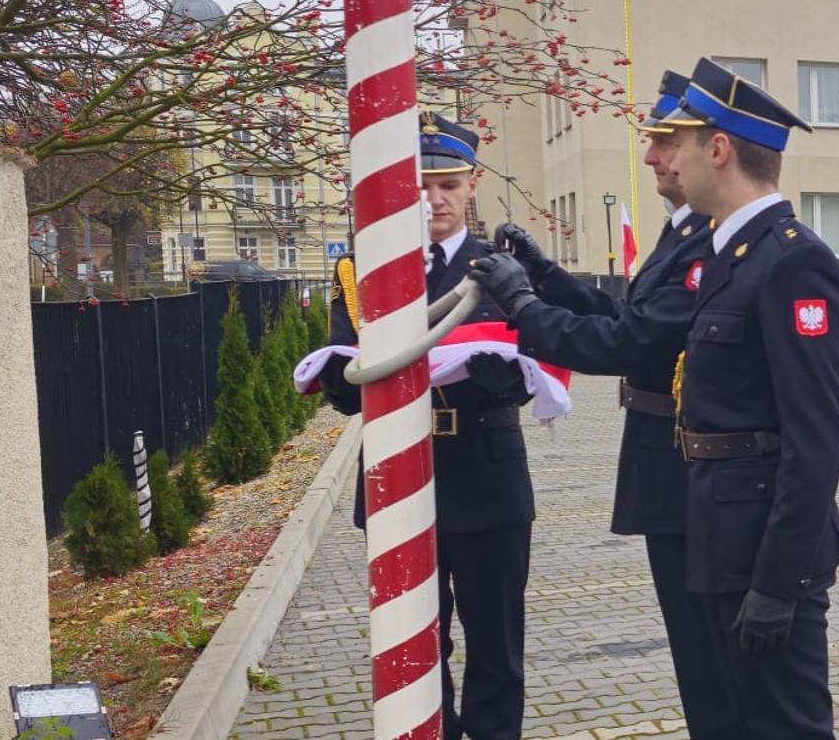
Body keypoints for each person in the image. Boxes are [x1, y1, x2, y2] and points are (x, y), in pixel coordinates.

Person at [475, 71, 742, 736]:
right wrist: (544, 276)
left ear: (708, 147)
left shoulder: (707, 240)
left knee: (714, 668)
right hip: (667, 469)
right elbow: (622, 312)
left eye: (662, 143)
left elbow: (633, 341)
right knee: (698, 663)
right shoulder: (682, 234)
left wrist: (523, 304)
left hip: (687, 473)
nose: (651, 156)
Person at [634, 57, 839, 736]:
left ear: (720, 149)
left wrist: (778, 583)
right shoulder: (732, 256)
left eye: (682, 143)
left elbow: (814, 440)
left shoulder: (792, 260)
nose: (663, 157)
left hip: (765, 554)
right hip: (715, 533)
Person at [318, 113, 537, 739]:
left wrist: (488, 365)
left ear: (472, 186)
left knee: (496, 647)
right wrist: (338, 374)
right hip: (397, 482)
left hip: (486, 480)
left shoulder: (500, 269)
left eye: (448, 184)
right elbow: (345, 388)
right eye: (420, 185)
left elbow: (528, 376)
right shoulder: (369, 272)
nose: (434, 199)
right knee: (414, 645)